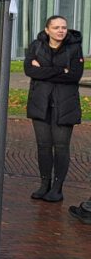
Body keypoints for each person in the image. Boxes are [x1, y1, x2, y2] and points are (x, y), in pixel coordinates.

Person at [24, 15, 84, 203]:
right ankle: (44, 184)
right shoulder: (37, 45)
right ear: (47, 29)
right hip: (40, 103)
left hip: (65, 104)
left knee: (60, 147)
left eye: (64, 27)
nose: (61, 30)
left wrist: (44, 71)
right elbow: (29, 70)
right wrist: (60, 70)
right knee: (43, 146)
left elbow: (74, 76)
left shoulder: (74, 47)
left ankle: (57, 188)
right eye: (56, 27)